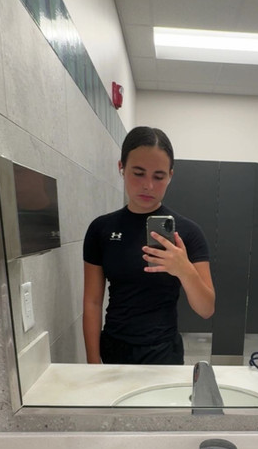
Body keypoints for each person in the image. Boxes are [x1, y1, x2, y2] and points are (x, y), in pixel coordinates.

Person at [83, 126, 215, 365]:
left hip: (164, 354)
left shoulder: (188, 233)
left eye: (158, 176)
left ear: (170, 176)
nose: (148, 186)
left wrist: (184, 270)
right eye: (138, 173)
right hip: (113, 351)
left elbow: (206, 309)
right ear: (121, 168)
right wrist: (92, 364)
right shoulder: (100, 229)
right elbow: (92, 303)